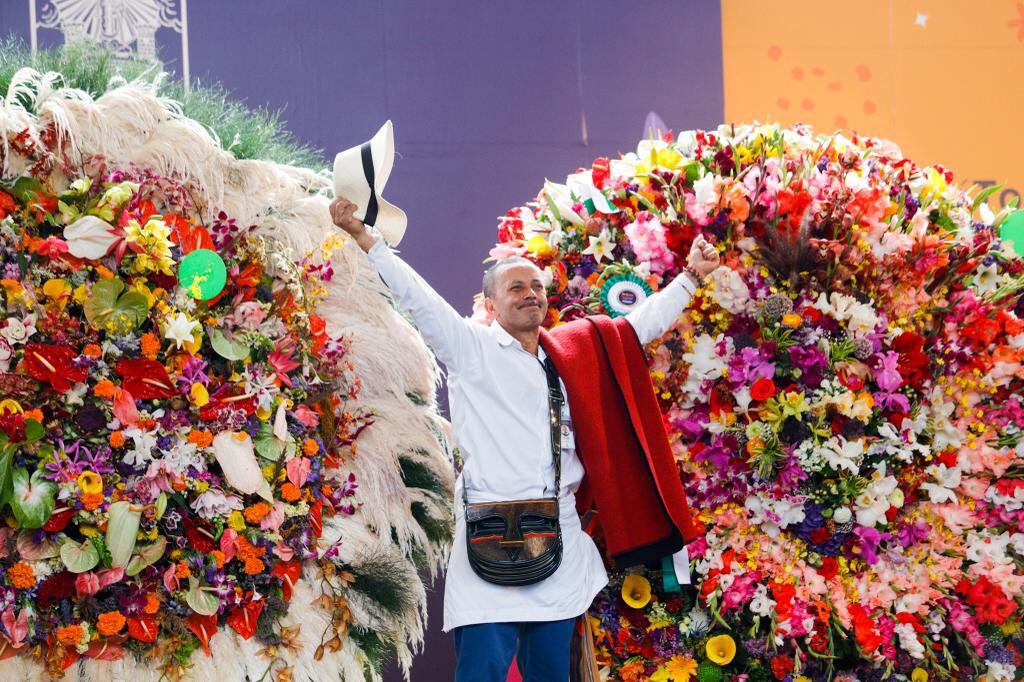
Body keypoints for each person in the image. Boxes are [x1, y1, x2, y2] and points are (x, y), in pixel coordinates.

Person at [330, 196, 720, 681]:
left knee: (552, 675)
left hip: (558, 539)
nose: (530, 293)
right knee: (481, 674)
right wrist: (367, 239)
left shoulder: (569, 353)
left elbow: (635, 329)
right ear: (491, 304)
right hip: (487, 536)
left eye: (536, 286)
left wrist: (691, 277)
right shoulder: (470, 347)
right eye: (516, 287)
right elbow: (418, 298)